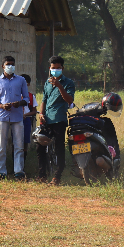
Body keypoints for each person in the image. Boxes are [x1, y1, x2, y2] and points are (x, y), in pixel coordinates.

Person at [38, 56, 75, 186]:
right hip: (47, 119)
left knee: (59, 148)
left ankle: (57, 176)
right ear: (50, 68)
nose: (55, 70)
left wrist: (59, 86)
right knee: (40, 145)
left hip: (59, 119)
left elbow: (69, 100)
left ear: (62, 68)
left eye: (58, 68)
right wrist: (41, 113)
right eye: (53, 68)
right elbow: (44, 100)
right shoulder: (47, 83)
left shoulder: (68, 83)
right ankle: (42, 175)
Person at [0, 56, 29, 180]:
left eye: (12, 64)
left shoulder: (21, 80)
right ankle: (1, 172)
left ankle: (18, 171)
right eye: (8, 64)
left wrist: (19, 103)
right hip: (2, 116)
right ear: (3, 66)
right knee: (1, 145)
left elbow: (27, 98)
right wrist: (1, 105)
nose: (10, 66)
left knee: (18, 145)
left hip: (17, 116)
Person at [20, 74, 38, 167]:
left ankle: (23, 165)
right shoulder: (16, 96)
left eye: (25, 83)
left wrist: (25, 115)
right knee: (16, 142)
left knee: (25, 143)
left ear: (28, 84)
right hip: (17, 119)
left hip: (26, 120)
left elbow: (34, 111)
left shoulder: (31, 96)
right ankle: (16, 165)